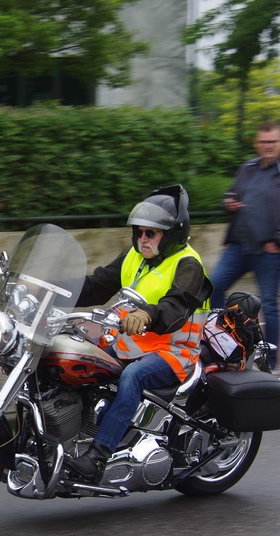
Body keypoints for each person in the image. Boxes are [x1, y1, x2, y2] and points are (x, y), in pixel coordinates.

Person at [66, 185, 212, 484]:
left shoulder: (188, 265)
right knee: (78, 358)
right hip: (129, 346)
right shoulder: (134, 256)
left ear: (172, 234)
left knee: (133, 376)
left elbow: (176, 305)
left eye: (151, 233)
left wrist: (146, 315)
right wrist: (49, 289)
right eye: (139, 232)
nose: (142, 239)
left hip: (173, 353)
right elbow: (96, 286)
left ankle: (98, 456)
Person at [209, 121, 280, 370]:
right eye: (264, 142)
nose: (268, 146)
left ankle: (270, 364)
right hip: (239, 246)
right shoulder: (248, 168)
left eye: (273, 142)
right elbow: (231, 194)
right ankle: (223, 347)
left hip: (269, 250)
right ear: (257, 144)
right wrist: (229, 203)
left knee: (270, 305)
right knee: (214, 287)